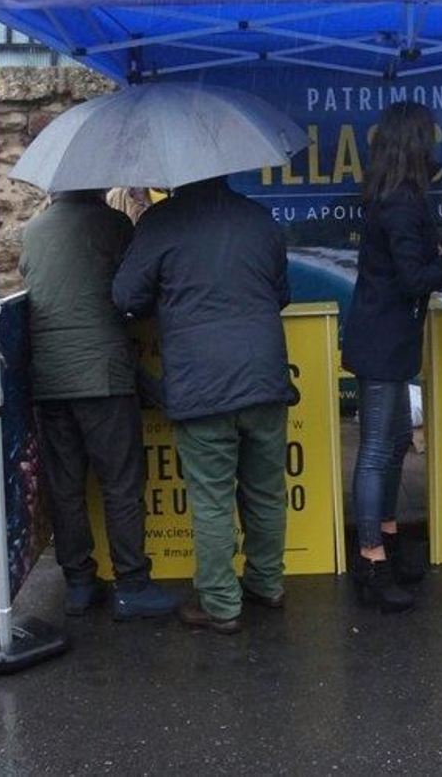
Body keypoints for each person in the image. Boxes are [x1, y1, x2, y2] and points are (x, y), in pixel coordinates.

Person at [112, 175, 292, 635]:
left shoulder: (161, 223)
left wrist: (170, 297)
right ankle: (267, 583)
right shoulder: (260, 219)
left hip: (201, 385)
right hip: (265, 376)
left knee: (212, 500)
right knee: (266, 490)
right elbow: (281, 294)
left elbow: (126, 295)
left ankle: (220, 603)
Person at [19, 189, 177, 621]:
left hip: (50, 378)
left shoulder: (30, 232)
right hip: (103, 376)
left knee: (66, 488)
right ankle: (132, 584)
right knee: (121, 483)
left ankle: (79, 583)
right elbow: (134, 291)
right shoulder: (115, 225)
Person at [341, 102, 442, 613]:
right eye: (429, 138)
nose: (435, 146)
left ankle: (386, 536)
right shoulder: (402, 203)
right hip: (383, 342)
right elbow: (413, 277)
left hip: (385, 339)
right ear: (414, 144)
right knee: (378, 449)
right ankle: (371, 558)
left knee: (398, 440)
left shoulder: (390, 195)